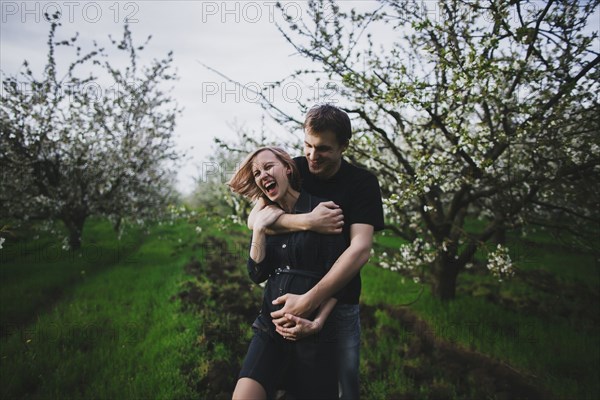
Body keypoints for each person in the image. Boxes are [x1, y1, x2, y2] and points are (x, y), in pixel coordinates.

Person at [248, 104, 385, 399]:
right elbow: (255, 220)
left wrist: (310, 300)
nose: (312, 155)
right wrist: (309, 221)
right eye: (307, 145)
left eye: (322, 149)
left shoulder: (362, 184)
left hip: (339, 299)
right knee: (290, 377)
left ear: (343, 146)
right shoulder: (294, 169)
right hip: (290, 294)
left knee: (345, 383)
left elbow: (360, 249)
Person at [229, 146, 347, 400]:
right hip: (270, 329)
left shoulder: (321, 210)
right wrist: (258, 230)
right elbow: (257, 273)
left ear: (288, 168)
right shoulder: (267, 218)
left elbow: (344, 276)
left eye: (268, 167)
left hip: (312, 334)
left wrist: (316, 323)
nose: (263, 175)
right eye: (257, 172)